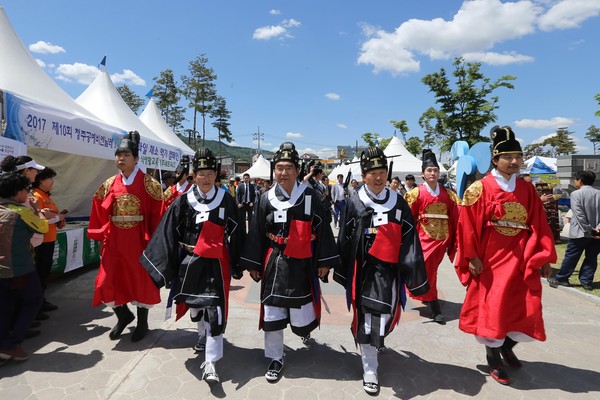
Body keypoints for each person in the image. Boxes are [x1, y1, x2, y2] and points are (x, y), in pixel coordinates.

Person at [454, 126, 556, 385]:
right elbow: (466, 225)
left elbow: (539, 224)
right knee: (494, 308)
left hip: (521, 258)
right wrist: (472, 257)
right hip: (491, 260)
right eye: (508, 157)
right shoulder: (479, 189)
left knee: (526, 307)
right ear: (495, 159)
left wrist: (543, 257)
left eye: (518, 157)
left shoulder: (527, 190)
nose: (514, 162)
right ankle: (493, 356)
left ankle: (507, 345)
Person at [141, 148, 243, 384]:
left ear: (215, 175)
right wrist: (161, 266)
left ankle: (211, 361)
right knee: (196, 309)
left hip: (216, 264)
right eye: (201, 173)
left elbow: (237, 232)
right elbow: (168, 232)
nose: (205, 178)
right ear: (193, 175)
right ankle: (201, 334)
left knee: (215, 310)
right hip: (189, 264)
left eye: (209, 173)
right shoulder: (183, 201)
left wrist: (237, 262)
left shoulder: (226, 199)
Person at [240, 142, 340, 383]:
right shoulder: (265, 198)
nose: (283, 172)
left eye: (288, 168)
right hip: (274, 260)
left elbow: (323, 227)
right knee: (273, 311)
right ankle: (275, 357)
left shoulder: (309, 196)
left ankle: (304, 332)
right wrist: (253, 262)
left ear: (297, 170)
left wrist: (324, 261)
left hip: (302, 263)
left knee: (300, 312)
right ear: (274, 171)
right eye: (279, 168)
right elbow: (256, 231)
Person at [334, 146, 428, 395]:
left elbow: (410, 239)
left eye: (382, 171)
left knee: (384, 317)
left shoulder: (398, 202)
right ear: (363, 175)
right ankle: (370, 369)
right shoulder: (355, 201)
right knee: (369, 318)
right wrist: (341, 270)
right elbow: (344, 236)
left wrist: (414, 275)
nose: (378, 177)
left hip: (390, 271)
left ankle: (375, 345)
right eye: (372, 172)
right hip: (365, 271)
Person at [87, 131, 164, 342]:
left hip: (139, 241)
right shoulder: (109, 184)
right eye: (118, 154)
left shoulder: (150, 184)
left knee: (141, 281)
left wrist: (157, 244)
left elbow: (158, 214)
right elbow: (98, 209)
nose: (121, 158)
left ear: (136, 159)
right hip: (115, 241)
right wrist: (101, 233)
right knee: (106, 282)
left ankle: (142, 322)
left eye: (126, 154)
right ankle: (123, 315)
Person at [404, 150, 460, 324]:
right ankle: (434, 306)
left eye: (435, 170)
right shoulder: (415, 194)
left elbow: (457, 216)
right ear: (422, 174)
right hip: (422, 239)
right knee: (426, 270)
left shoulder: (449, 195)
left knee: (431, 271)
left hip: (441, 240)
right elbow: (408, 219)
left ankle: (428, 296)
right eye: (429, 170)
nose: (432, 173)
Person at [0, 172, 51, 361]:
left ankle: (3, 343)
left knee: (5, 306)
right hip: (19, 268)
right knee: (33, 300)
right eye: (25, 189)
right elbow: (43, 227)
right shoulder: (21, 212)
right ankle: (12, 344)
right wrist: (38, 210)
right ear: (17, 192)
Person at [548, 170, 600, 291]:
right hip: (597, 233)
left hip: (580, 232)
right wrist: (597, 229)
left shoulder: (576, 194)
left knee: (572, 256)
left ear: (580, 181)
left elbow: (579, 214)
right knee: (591, 257)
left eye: (575, 180)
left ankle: (562, 278)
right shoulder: (599, 193)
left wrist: (588, 229)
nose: (575, 182)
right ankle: (586, 281)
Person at [32, 167, 68, 315]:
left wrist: (59, 220)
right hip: (41, 242)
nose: (53, 182)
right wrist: (57, 218)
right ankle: (36, 305)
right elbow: (38, 219)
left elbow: (51, 217)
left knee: (44, 273)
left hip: (49, 240)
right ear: (41, 180)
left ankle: (41, 301)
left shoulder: (46, 196)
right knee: (39, 273)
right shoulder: (36, 197)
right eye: (50, 179)